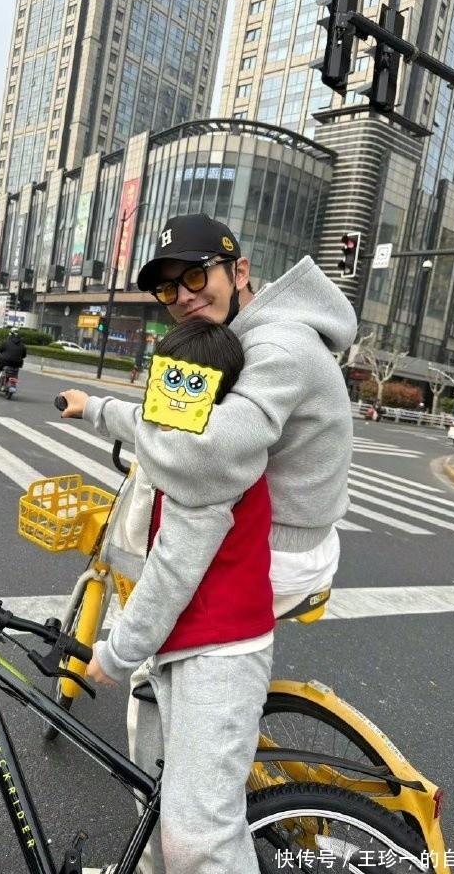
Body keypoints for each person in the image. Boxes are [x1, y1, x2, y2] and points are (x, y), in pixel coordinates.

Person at [58, 212, 357, 871]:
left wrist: (125, 645)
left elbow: (199, 457)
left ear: (239, 271)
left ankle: (183, 817)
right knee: (156, 608)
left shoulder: (278, 347)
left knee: (157, 610)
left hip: (281, 553)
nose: (184, 296)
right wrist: (99, 410)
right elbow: (176, 418)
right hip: (258, 526)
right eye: (169, 288)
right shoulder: (228, 341)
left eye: (195, 276)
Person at [66, 318, 274, 874]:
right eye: (165, 381)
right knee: (165, 798)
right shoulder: (187, 431)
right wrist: (90, 408)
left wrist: (116, 654)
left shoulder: (205, 464)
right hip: (191, 643)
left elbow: (170, 575)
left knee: (199, 838)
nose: (166, 400)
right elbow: (144, 420)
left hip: (219, 654)